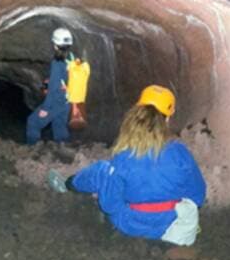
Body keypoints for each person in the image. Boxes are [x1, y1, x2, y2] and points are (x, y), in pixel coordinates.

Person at [48, 85, 207, 246]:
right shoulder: (179, 153)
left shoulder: (124, 157)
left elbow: (110, 204)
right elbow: (198, 195)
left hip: (131, 224)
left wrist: (111, 197)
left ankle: (70, 183)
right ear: (166, 119)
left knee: (103, 171)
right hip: (172, 223)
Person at [26, 28, 75, 145]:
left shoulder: (57, 62)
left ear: (55, 45)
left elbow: (52, 89)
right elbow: (67, 77)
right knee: (59, 127)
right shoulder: (72, 57)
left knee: (33, 122)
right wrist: (54, 79)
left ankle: (32, 151)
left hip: (56, 101)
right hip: (67, 101)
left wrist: (46, 108)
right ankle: (64, 151)